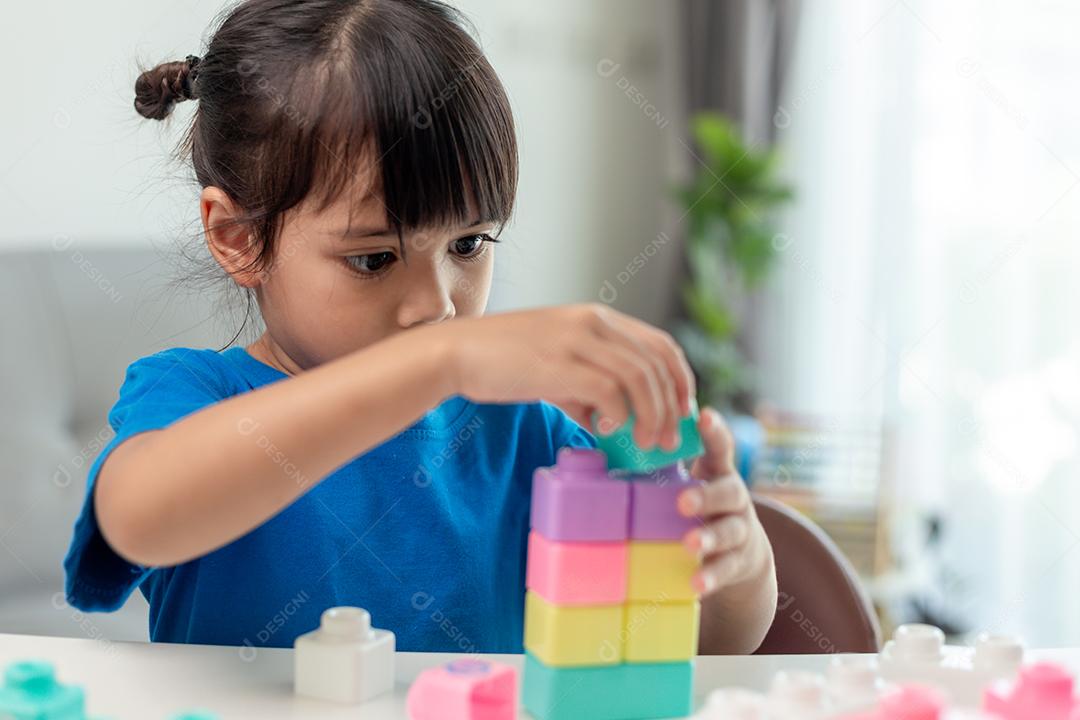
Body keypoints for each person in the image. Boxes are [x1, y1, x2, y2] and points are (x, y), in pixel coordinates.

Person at [64, 0, 776, 654]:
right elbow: (139, 519)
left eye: (468, 246)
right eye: (374, 258)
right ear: (237, 239)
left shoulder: (527, 435)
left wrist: (734, 563)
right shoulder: (195, 393)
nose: (435, 306)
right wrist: (442, 361)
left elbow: (709, 644)